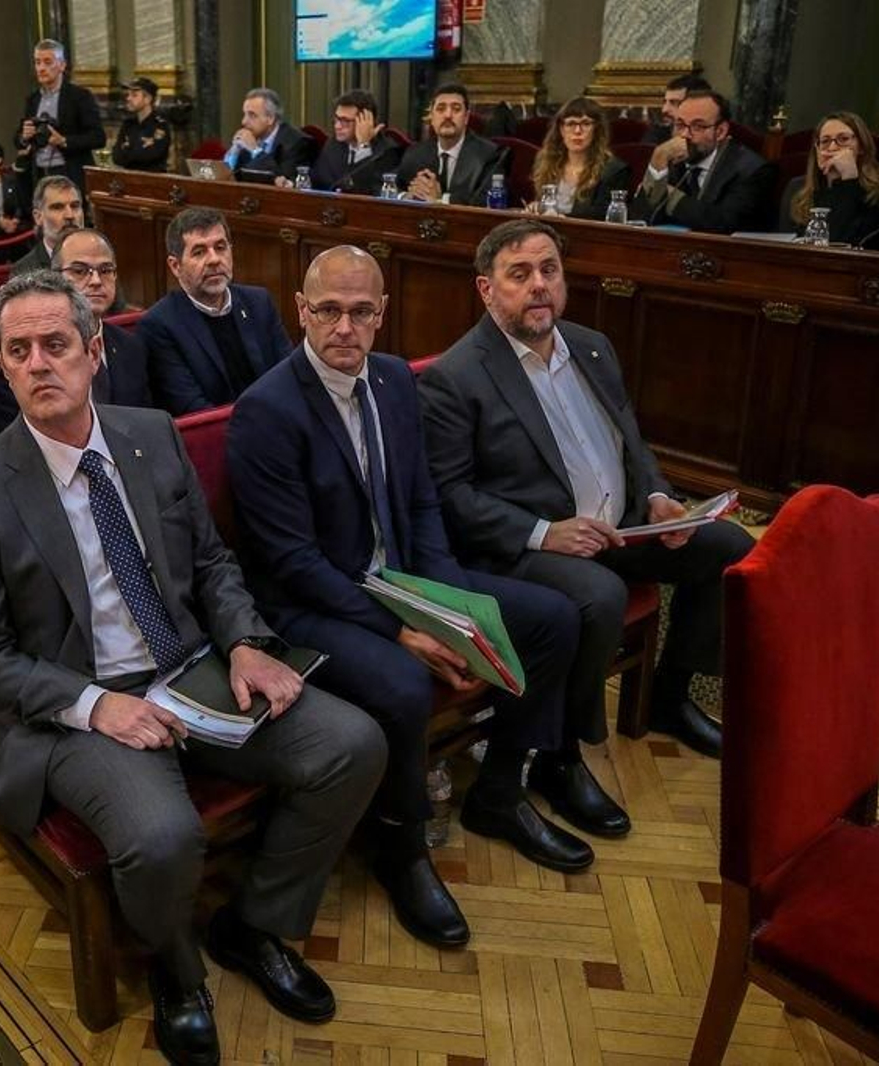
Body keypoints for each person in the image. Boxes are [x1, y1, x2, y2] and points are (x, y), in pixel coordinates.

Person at [0, 268, 387, 1065]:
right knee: (163, 835)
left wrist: (246, 640)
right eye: (18, 350)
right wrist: (93, 706)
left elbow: (210, 562)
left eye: (56, 344)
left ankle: (253, 927)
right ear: (0, 367)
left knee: (352, 745)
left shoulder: (150, 433)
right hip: (77, 702)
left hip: (191, 667)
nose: (40, 363)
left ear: (94, 350)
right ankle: (177, 970)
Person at [229, 247, 611, 943]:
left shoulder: (395, 381)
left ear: (382, 313)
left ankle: (499, 793)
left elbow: (423, 504)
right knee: (405, 683)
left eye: (361, 311)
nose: (345, 327)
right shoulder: (267, 410)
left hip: (402, 582)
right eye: (329, 311)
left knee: (554, 619)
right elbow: (292, 561)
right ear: (302, 311)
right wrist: (402, 627)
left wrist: (452, 604)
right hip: (314, 603)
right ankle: (401, 850)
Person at [419, 219, 757, 760]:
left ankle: (668, 696)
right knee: (601, 596)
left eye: (549, 270)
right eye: (520, 274)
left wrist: (656, 496)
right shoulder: (456, 377)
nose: (539, 285)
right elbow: (449, 495)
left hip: (620, 527)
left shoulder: (590, 346)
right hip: (529, 548)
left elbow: (631, 441)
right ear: (486, 289)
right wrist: (544, 533)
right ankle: (564, 750)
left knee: (729, 548)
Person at [0, 227, 151, 435]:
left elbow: (143, 426)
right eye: (80, 271)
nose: (96, 281)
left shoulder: (130, 346)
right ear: (55, 278)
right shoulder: (16, 357)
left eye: (106, 270)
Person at [136, 206, 290, 415]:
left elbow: (289, 376)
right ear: (175, 266)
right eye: (199, 252)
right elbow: (192, 409)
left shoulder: (258, 302)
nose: (214, 259)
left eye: (220, 247)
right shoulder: (159, 325)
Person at [633, 90, 776, 233]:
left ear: (720, 131)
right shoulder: (670, 157)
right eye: (680, 125)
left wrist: (668, 195)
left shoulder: (752, 171)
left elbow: (724, 224)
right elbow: (638, 220)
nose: (685, 135)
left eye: (698, 126)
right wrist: (657, 159)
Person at [779, 111, 879, 248]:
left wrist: (848, 180)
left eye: (844, 139)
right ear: (816, 149)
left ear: (862, 147)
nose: (832, 147)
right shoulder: (797, 188)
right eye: (825, 141)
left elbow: (840, 243)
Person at [14, 39, 106, 194]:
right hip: (38, 174)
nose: (41, 68)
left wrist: (63, 141)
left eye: (47, 62)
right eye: (37, 62)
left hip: (69, 172)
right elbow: (18, 139)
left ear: (62, 65)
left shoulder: (79, 96)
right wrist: (24, 137)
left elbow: (98, 137)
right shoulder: (33, 99)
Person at [395, 83, 508, 206]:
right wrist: (407, 196)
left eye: (456, 109)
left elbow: (486, 200)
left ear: (466, 117)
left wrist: (440, 200)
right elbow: (388, 184)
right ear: (432, 117)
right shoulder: (415, 152)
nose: (448, 115)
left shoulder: (490, 155)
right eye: (441, 109)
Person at [528, 97, 630, 220]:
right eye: (571, 124)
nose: (577, 131)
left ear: (597, 129)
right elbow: (543, 202)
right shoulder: (545, 162)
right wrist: (536, 207)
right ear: (561, 129)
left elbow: (601, 214)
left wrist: (562, 218)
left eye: (586, 124)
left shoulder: (613, 170)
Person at [309, 89, 404, 195]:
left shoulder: (387, 152)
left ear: (366, 122)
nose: (337, 126)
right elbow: (316, 181)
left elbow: (364, 190)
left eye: (345, 121)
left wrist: (363, 146)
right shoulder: (333, 144)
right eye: (336, 119)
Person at [222, 88, 316, 184]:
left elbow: (283, 181)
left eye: (252, 115)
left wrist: (255, 151)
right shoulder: (249, 139)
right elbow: (229, 177)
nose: (244, 122)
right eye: (244, 114)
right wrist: (234, 152)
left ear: (270, 118)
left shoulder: (296, 142)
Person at [10, 175, 84, 275]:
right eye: (58, 207)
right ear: (38, 217)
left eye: (75, 206)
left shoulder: (103, 257)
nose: (70, 215)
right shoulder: (24, 272)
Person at [111, 76, 172, 173]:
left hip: (152, 180)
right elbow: (117, 157)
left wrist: (128, 151)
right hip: (129, 177)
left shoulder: (159, 125)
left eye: (134, 95)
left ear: (147, 99)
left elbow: (151, 156)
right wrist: (135, 152)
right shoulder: (128, 124)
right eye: (128, 95)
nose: (128, 98)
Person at [643, 74, 712, 145]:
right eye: (664, 102)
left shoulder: (710, 136)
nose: (664, 110)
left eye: (675, 103)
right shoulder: (657, 133)